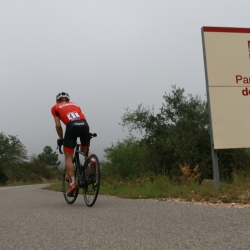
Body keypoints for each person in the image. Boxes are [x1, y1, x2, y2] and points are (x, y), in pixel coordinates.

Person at [51, 92, 91, 196]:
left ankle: (72, 184)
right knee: (84, 150)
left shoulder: (55, 107)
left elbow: (58, 125)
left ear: (58, 101)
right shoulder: (76, 105)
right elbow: (81, 117)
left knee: (68, 157)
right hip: (84, 125)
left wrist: (62, 139)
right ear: (68, 100)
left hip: (72, 126)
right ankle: (93, 163)